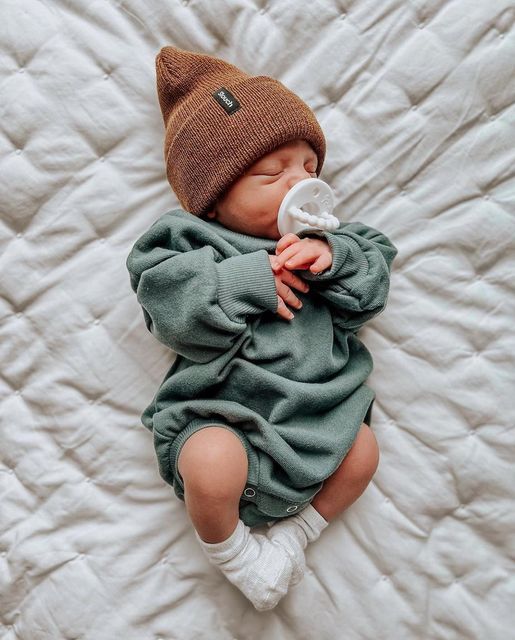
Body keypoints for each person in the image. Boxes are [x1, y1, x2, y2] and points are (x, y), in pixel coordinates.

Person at [126, 46, 398, 611]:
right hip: (224, 418)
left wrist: (336, 257)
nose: (299, 183)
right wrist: (242, 281)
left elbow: (373, 285)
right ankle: (235, 556)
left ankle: (292, 539)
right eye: (272, 173)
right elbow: (165, 306)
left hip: (319, 424)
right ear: (215, 200)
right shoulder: (192, 240)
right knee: (210, 463)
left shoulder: (334, 242)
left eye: (309, 167)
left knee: (365, 452)